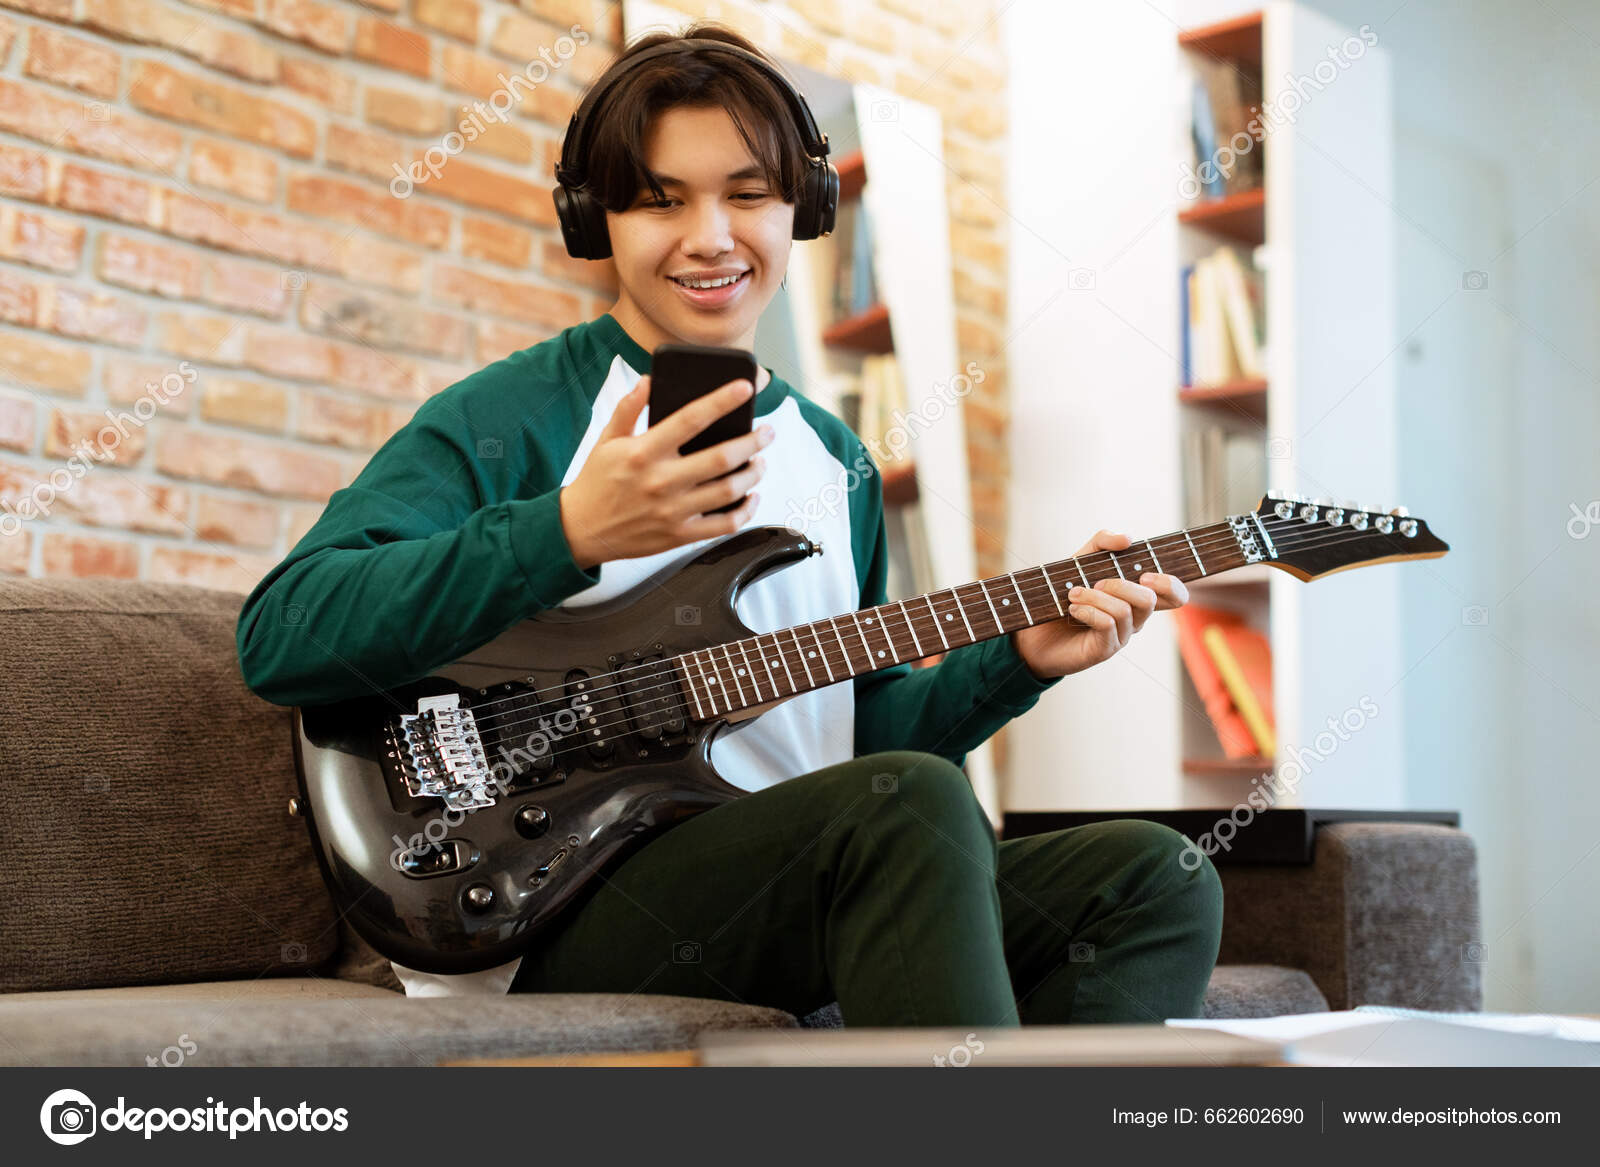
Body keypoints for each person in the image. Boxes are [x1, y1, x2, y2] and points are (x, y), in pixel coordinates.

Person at [236, 23, 1223, 1026]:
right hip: (550, 909)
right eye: (661, 201)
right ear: (597, 221)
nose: (710, 235)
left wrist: (1016, 660)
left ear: (803, 207)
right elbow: (284, 636)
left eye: (747, 195)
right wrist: (568, 531)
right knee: (906, 806)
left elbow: (851, 731)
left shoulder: (837, 461)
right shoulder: (516, 414)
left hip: (783, 886)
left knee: (1153, 873)